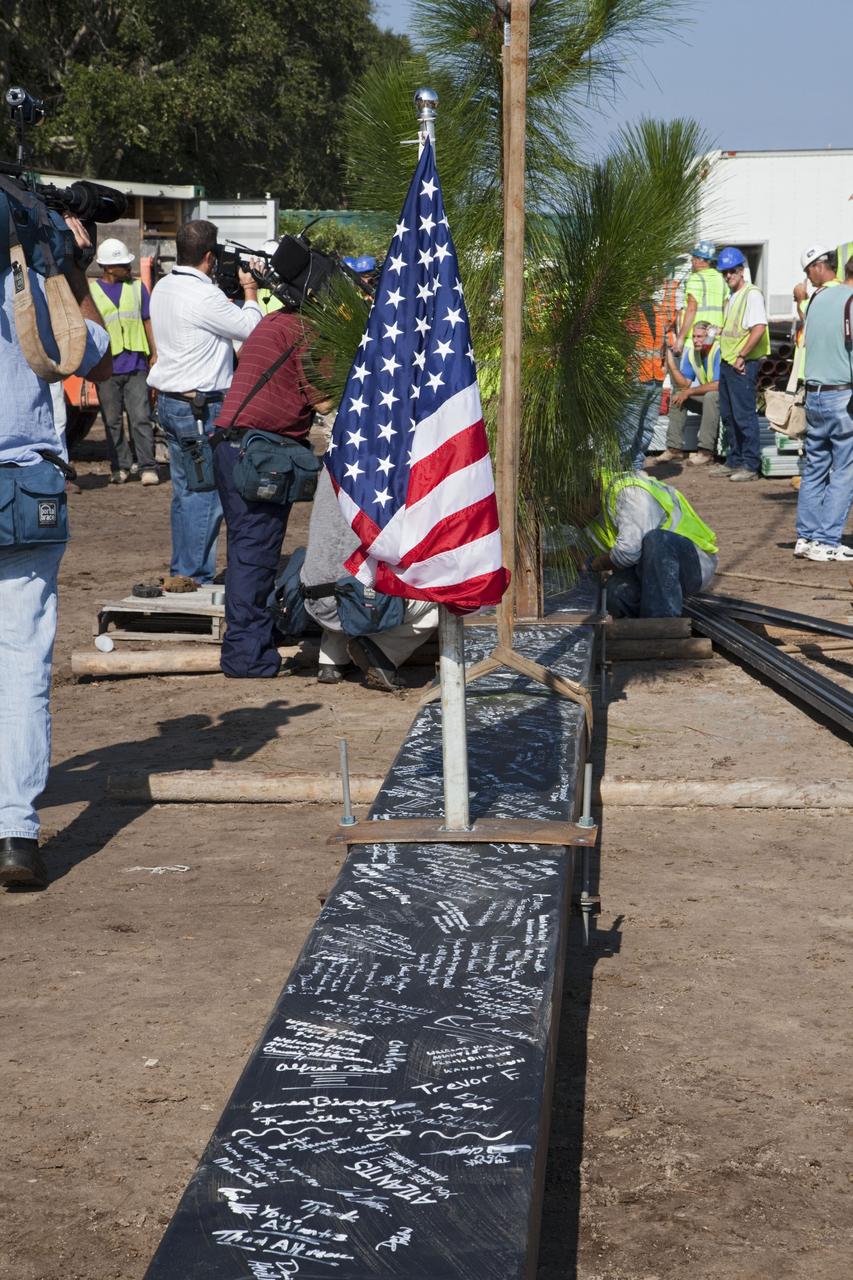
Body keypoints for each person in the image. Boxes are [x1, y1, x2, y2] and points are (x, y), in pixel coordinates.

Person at [0, 216, 111, 890]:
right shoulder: (37, 292)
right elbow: (96, 352)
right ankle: (15, 832)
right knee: (21, 665)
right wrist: (72, 265)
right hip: (23, 487)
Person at [211, 306, 329, 677]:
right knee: (255, 555)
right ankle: (246, 657)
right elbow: (325, 401)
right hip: (258, 454)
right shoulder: (307, 331)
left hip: (231, 446)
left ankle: (256, 637)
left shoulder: (275, 321)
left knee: (248, 550)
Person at [148, 220, 263, 583]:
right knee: (206, 494)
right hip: (201, 407)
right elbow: (249, 329)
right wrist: (250, 292)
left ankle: (182, 568)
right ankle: (192, 575)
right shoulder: (205, 295)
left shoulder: (165, 286)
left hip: (171, 402)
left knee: (185, 491)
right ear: (210, 257)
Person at [299, 470, 438, 691]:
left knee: (339, 568)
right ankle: (381, 651)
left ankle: (331, 660)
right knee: (446, 595)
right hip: (359, 605)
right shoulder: (399, 464)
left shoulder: (332, 462)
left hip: (314, 598)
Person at [578, 470, 718, 618]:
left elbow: (627, 554)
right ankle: (639, 630)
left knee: (657, 540)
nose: (569, 517)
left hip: (694, 562)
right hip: (647, 572)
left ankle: (662, 624)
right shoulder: (593, 518)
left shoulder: (628, 491)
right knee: (615, 594)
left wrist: (594, 564)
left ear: (591, 491)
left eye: (574, 505)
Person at [793, 244, 853, 563]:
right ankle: (828, 540)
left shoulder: (816, 300)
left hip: (814, 393)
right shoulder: (850, 302)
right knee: (845, 469)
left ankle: (806, 537)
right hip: (843, 396)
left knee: (816, 466)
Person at [89, 237, 159, 485]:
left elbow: (148, 321)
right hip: (107, 368)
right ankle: (120, 466)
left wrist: (154, 353)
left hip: (136, 364)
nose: (128, 268)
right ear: (108, 267)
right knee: (112, 421)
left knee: (141, 417)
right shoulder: (92, 292)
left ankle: (147, 466)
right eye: (122, 264)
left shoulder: (138, 288)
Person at [709, 247, 770, 482]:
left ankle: (750, 464)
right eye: (724, 273)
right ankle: (734, 460)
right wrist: (719, 332)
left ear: (741, 270)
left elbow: (758, 328)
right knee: (729, 415)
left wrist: (742, 356)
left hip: (742, 364)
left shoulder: (751, 295)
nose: (727, 276)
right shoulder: (732, 297)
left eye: (731, 272)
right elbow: (737, 328)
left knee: (744, 415)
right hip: (729, 362)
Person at [656, 322, 721, 465]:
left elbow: (718, 385)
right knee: (679, 395)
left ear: (709, 337)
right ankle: (674, 449)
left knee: (711, 395)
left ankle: (705, 452)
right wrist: (672, 364)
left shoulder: (718, 350)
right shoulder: (693, 354)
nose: (696, 340)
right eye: (694, 337)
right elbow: (684, 384)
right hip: (710, 399)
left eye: (700, 337)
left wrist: (690, 391)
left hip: (725, 399)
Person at [672, 241, 728, 354]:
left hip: (695, 341)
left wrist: (681, 338)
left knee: (687, 371)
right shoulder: (721, 279)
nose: (692, 261)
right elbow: (727, 308)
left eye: (693, 258)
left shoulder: (695, 279)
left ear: (700, 260)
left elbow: (691, 309)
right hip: (715, 338)